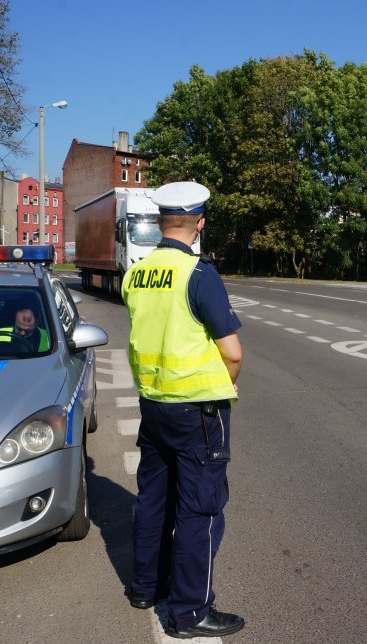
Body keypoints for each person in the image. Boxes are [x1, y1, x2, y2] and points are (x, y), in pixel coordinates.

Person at [122, 181, 245, 639]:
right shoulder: (198, 274)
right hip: (198, 411)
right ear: (200, 223)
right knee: (200, 510)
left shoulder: (137, 272)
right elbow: (232, 352)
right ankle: (191, 613)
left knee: (154, 499)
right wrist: (222, 388)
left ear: (158, 223)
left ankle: (144, 588)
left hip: (153, 406)